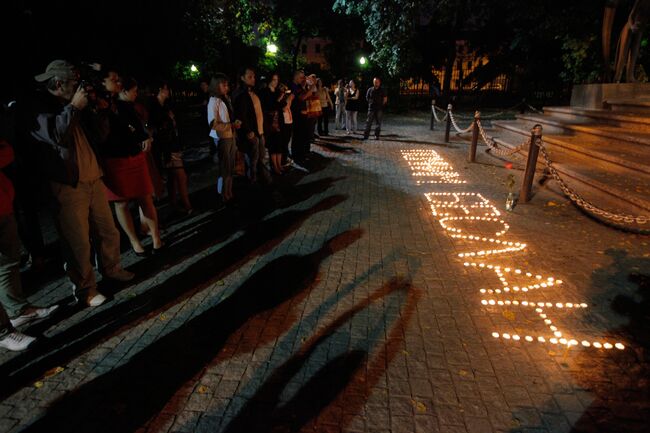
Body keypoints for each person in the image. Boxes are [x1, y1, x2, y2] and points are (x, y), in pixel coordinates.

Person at [30, 60, 134, 307]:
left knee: (107, 230)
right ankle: (85, 289)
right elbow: (56, 137)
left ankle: (111, 268)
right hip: (67, 184)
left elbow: (100, 135)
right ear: (58, 84)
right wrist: (74, 108)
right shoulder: (40, 108)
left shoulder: (76, 105)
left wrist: (99, 111)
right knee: (77, 241)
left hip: (92, 176)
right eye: (73, 84)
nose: (78, 88)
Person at [0, 139, 57, 351]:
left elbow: (7, 151)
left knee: (8, 263)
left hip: (3, 205)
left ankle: (18, 311)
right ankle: (3, 332)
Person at [100, 77, 163, 255]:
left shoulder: (125, 106)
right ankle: (135, 242)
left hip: (134, 155)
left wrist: (144, 137)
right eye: (114, 80)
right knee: (121, 203)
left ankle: (156, 238)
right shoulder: (99, 106)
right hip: (114, 159)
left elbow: (136, 127)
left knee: (145, 197)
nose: (118, 82)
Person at [148, 80, 193, 215]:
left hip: (173, 144)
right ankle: (186, 204)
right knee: (181, 176)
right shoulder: (154, 108)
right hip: (164, 148)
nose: (168, 91)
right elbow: (155, 129)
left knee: (174, 177)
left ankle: (174, 203)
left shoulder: (167, 105)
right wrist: (167, 122)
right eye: (166, 89)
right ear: (160, 90)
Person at [232, 67, 269, 183]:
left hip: (260, 131)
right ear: (242, 78)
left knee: (261, 159)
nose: (253, 79)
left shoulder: (253, 92)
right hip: (252, 134)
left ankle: (261, 181)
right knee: (253, 162)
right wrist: (249, 132)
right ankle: (254, 183)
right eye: (250, 77)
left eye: (253, 76)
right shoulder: (241, 94)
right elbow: (241, 116)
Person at [208, 73, 238, 201]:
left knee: (230, 167)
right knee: (226, 168)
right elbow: (213, 124)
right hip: (223, 138)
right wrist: (231, 125)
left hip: (230, 136)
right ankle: (225, 194)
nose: (227, 88)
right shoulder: (213, 101)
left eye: (227, 85)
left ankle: (229, 192)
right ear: (216, 85)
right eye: (224, 85)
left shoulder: (223, 99)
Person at [260, 73, 293, 176]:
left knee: (279, 144)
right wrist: (279, 99)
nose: (275, 82)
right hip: (270, 123)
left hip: (280, 121)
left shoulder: (277, 91)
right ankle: (274, 166)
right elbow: (269, 106)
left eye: (277, 80)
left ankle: (279, 165)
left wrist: (282, 97)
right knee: (273, 146)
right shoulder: (265, 92)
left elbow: (283, 105)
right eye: (274, 80)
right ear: (270, 80)